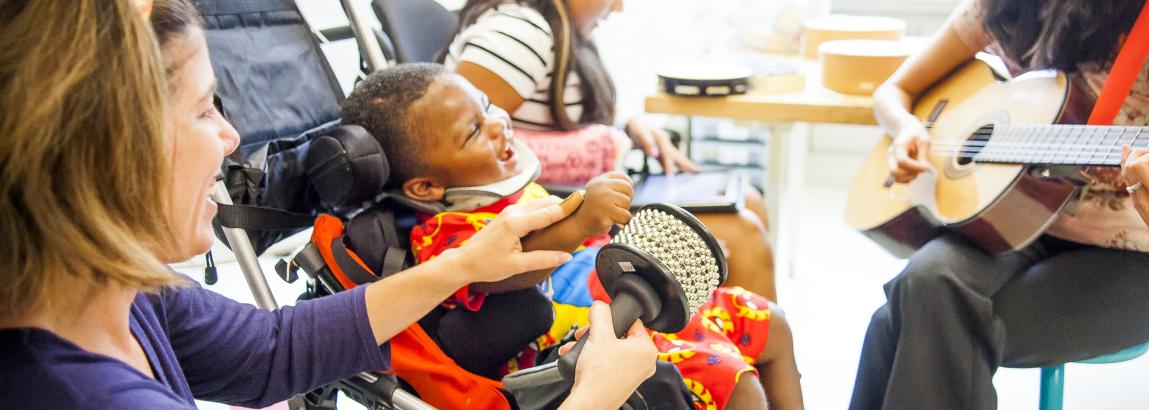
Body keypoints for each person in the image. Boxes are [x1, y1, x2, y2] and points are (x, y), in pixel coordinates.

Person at [0, 0, 656, 408]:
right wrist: (592, 398)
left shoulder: (118, 295)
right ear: (106, 154)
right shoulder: (75, 392)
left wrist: (461, 266)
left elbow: (270, 351)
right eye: (205, 111)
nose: (231, 140)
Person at [341, 62, 805, 410]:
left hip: (633, 304)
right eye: (474, 132)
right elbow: (496, 269)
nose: (499, 124)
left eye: (486, 107)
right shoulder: (444, 236)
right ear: (427, 187)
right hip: (582, 346)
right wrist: (580, 222)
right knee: (739, 386)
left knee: (774, 324)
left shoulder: (515, 188)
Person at [850, 0, 1149, 408]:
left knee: (916, 315)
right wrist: (908, 127)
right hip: (1014, 223)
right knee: (924, 282)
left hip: (1141, 260)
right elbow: (894, 90)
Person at [441, 0, 781, 299]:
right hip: (560, 206)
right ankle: (739, 353)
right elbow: (455, 153)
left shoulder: (554, 27)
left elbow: (552, 113)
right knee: (744, 234)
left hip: (584, 190)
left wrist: (627, 123)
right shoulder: (519, 34)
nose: (618, 6)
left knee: (749, 200)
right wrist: (604, 150)